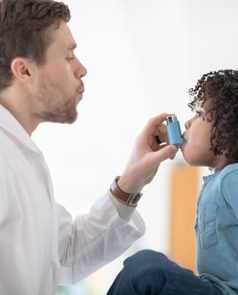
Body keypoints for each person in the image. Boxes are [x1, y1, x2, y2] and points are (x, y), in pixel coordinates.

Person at [0, 0, 178, 294]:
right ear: (25, 71)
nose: (82, 69)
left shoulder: (21, 154)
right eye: (69, 55)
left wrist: (131, 181)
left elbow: (66, 254)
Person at [107, 69, 238, 295]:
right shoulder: (220, 181)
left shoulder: (235, 178)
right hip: (213, 288)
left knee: (145, 267)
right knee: (143, 266)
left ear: (228, 131)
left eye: (198, 113)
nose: (187, 122)